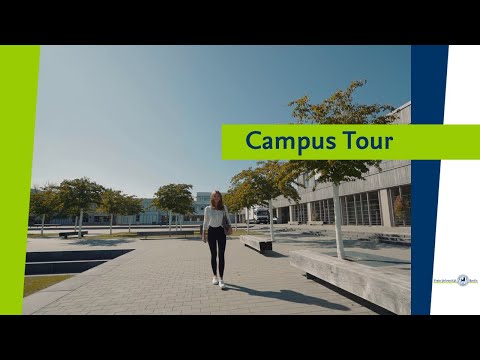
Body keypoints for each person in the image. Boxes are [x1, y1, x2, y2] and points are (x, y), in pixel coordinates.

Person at [202, 190, 232, 289]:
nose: (216, 198)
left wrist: (230, 227)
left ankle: (222, 279)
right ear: (212, 197)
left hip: (221, 231)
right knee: (213, 254)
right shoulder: (207, 209)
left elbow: (227, 218)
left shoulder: (224, 208)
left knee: (221, 254)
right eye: (215, 196)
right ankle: (215, 276)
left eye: (218, 196)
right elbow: (205, 221)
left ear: (220, 198)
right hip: (211, 232)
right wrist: (204, 233)